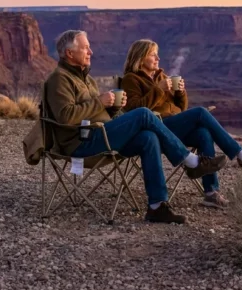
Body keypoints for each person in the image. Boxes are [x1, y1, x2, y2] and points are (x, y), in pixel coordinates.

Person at [44, 30, 228, 224]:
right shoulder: (59, 79)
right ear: (69, 53)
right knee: (143, 113)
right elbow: (65, 117)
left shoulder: (85, 78)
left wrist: (114, 108)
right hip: (79, 142)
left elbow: (96, 113)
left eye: (89, 47)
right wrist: (100, 102)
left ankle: (157, 206)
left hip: (100, 133)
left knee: (148, 137)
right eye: (85, 48)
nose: (91, 51)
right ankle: (190, 160)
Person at [121, 39, 242, 209]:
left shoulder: (161, 76)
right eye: (152, 54)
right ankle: (241, 154)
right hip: (157, 128)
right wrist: (159, 89)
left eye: (157, 54)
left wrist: (180, 93)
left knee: (203, 134)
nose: (158, 58)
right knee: (200, 112)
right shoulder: (131, 79)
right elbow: (135, 111)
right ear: (141, 58)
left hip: (173, 126)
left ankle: (211, 193)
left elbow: (180, 108)